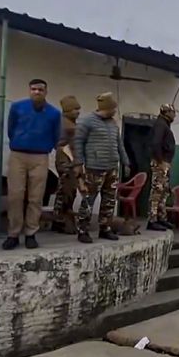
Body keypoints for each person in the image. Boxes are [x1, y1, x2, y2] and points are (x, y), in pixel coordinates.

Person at [2, 79, 61, 250]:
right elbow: (11, 129)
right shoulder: (17, 107)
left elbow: (56, 135)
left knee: (36, 197)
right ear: (29, 90)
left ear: (46, 92)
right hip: (18, 155)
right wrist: (19, 142)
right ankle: (13, 234)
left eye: (40, 89)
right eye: (34, 89)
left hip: (40, 156)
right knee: (15, 195)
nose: (37, 92)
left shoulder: (54, 113)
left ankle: (31, 233)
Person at [73, 92, 130, 243]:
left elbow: (119, 144)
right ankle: (82, 230)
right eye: (113, 108)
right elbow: (78, 143)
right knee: (88, 200)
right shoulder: (87, 121)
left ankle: (105, 228)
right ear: (107, 108)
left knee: (109, 200)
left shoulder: (113, 123)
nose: (115, 111)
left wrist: (125, 161)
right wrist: (78, 164)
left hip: (112, 168)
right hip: (94, 168)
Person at [52, 95, 82, 233]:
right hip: (66, 160)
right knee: (66, 191)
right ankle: (61, 221)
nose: (78, 112)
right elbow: (70, 146)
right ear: (67, 110)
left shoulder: (69, 123)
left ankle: (60, 219)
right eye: (75, 109)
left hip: (68, 160)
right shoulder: (66, 125)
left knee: (67, 191)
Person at [147, 104, 176, 231]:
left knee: (164, 192)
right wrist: (160, 161)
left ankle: (161, 218)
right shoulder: (160, 125)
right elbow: (156, 143)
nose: (175, 114)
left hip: (165, 163)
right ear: (167, 112)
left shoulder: (165, 125)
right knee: (157, 192)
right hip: (160, 163)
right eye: (173, 112)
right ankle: (152, 220)